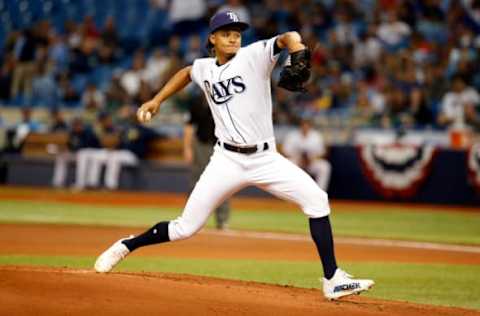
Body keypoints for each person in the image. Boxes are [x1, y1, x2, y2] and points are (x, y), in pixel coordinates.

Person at [95, 11, 374, 300]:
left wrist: (297, 47)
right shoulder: (204, 67)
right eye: (226, 32)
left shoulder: (254, 55)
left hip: (266, 159)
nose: (233, 37)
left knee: (317, 200)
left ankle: (332, 279)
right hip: (226, 161)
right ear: (212, 38)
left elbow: (286, 37)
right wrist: (156, 100)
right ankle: (128, 245)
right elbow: (186, 72)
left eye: (237, 33)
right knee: (184, 228)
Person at [183, 92, 231, 230]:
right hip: (201, 145)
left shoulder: (225, 98)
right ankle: (192, 220)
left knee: (223, 183)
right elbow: (189, 126)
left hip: (222, 145)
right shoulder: (197, 102)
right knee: (197, 183)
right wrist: (187, 148)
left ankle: (222, 221)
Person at [283, 119, 331, 191]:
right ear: (300, 126)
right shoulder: (292, 135)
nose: (305, 127)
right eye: (303, 125)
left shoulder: (316, 136)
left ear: (310, 126)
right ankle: (288, 191)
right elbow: (285, 151)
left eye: (307, 125)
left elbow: (322, 152)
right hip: (297, 162)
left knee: (325, 166)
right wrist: (298, 157)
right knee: (285, 164)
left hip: (312, 162)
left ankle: (319, 192)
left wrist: (313, 158)